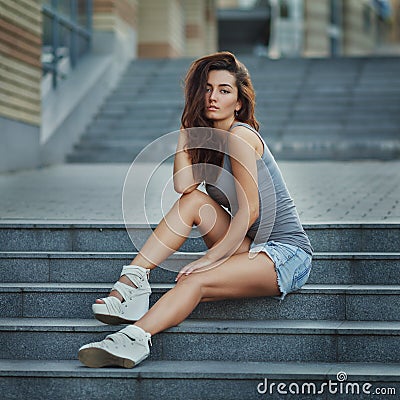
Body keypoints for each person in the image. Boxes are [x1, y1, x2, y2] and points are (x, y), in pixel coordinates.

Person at [78, 51, 313, 369]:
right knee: (192, 202)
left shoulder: (241, 136)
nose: (213, 96)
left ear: (239, 103)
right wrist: (187, 127)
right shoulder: (211, 144)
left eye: (224, 90)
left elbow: (251, 211)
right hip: (251, 247)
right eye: (207, 88)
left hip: (286, 254)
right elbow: (184, 186)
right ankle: (133, 282)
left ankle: (133, 339)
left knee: (192, 280)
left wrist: (208, 259)